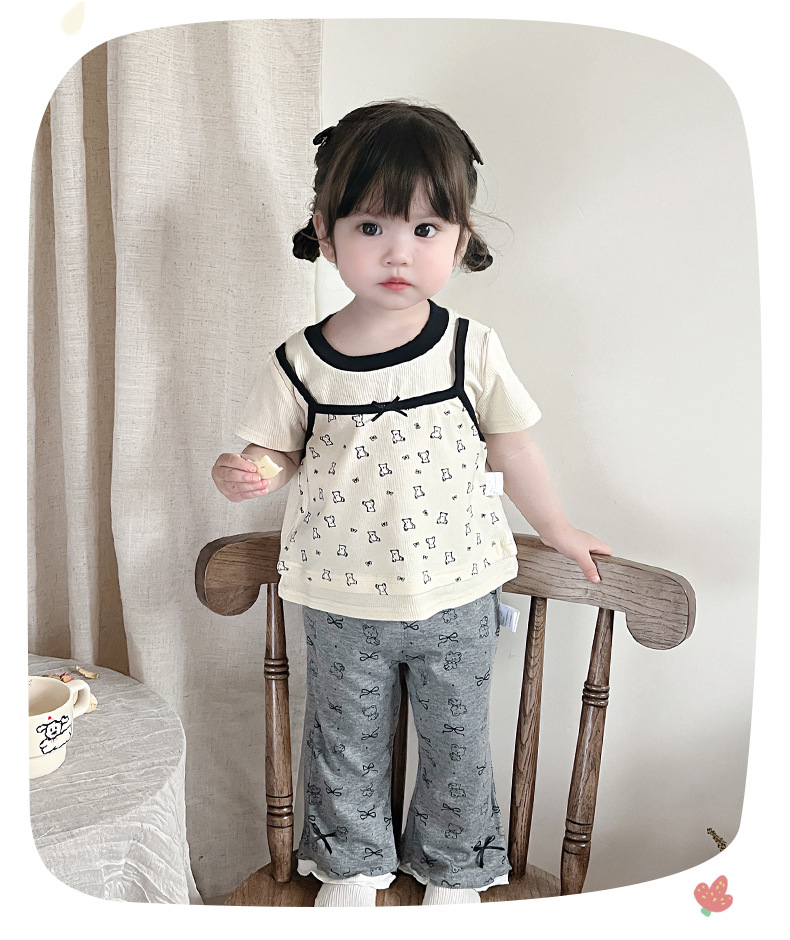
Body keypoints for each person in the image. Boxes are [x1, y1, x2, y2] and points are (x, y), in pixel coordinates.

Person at [211, 100, 611, 907]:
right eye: (371, 227)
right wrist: (249, 470)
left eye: (426, 229)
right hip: (339, 597)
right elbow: (277, 452)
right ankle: (352, 867)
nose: (399, 251)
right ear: (326, 234)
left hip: (456, 591)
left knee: (458, 743)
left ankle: (455, 868)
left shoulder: (470, 348)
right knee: (344, 742)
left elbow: (514, 448)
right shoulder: (301, 362)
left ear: (460, 240)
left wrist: (558, 528)